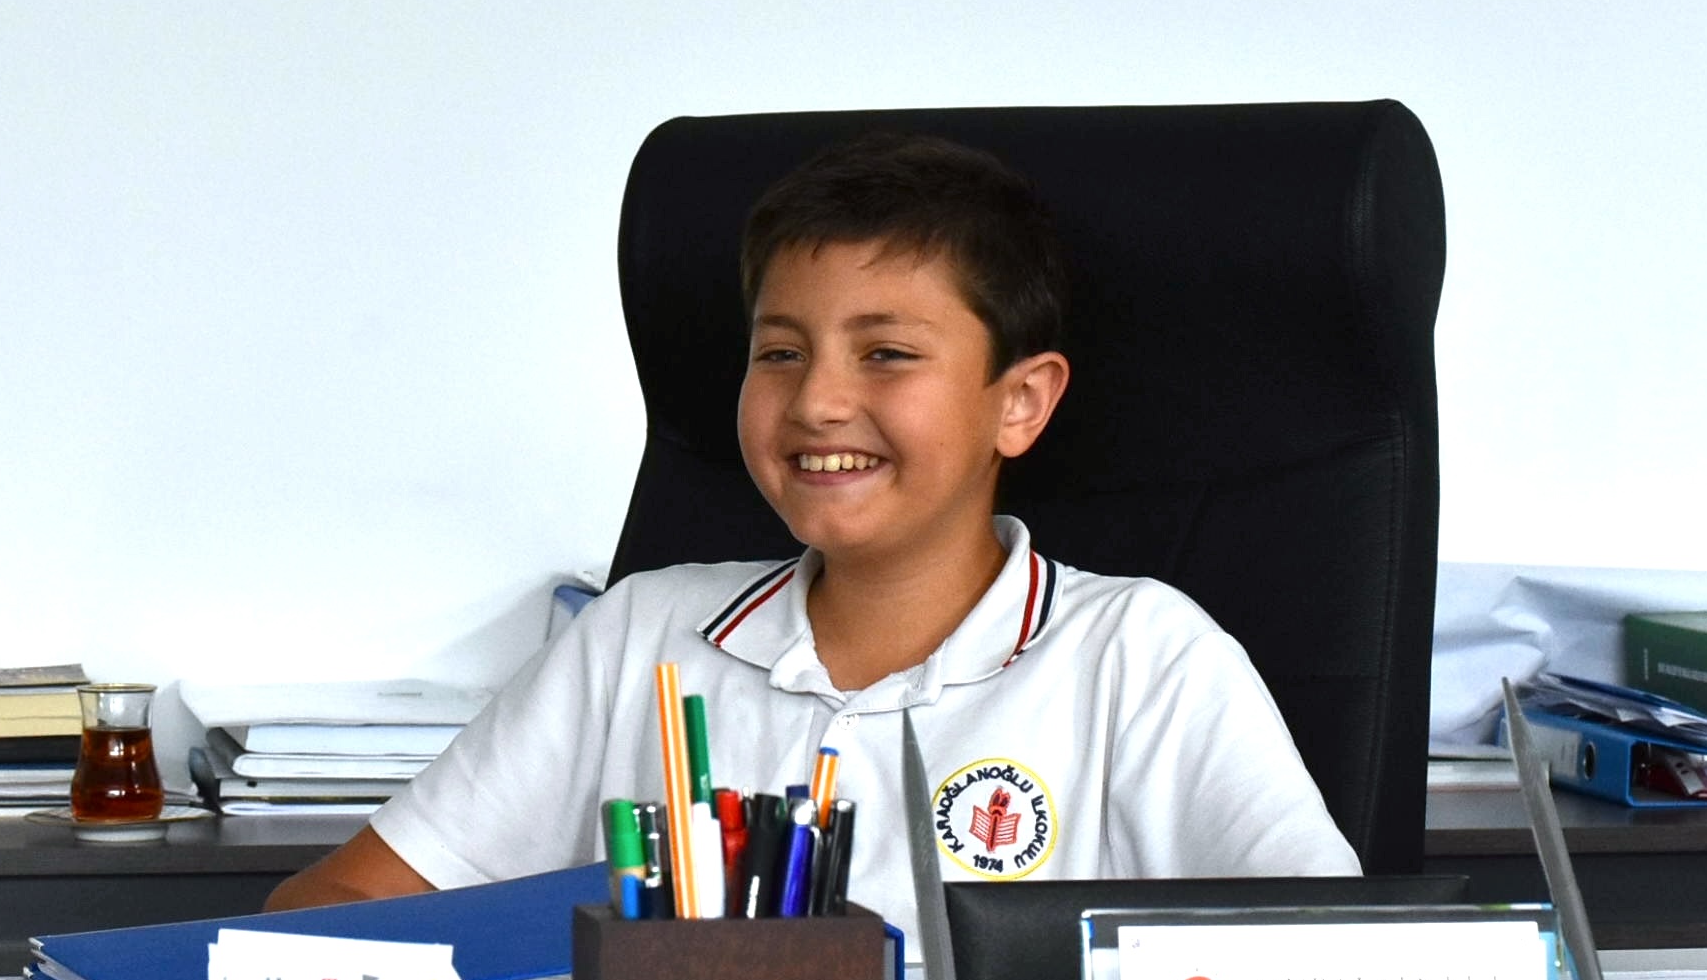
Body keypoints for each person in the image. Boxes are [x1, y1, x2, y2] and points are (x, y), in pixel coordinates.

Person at [266, 132, 1358, 938]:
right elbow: (332, 904)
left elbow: (1327, 965)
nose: (819, 402)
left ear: (1020, 402)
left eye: (886, 354)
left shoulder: (1139, 658)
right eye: (780, 352)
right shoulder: (643, 634)